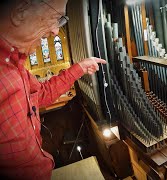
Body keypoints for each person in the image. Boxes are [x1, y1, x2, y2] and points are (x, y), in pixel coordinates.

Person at [0, 0, 106, 179]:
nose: (56, 31)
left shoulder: (16, 64)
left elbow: (41, 94)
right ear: (20, 12)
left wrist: (79, 68)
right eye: (55, 17)